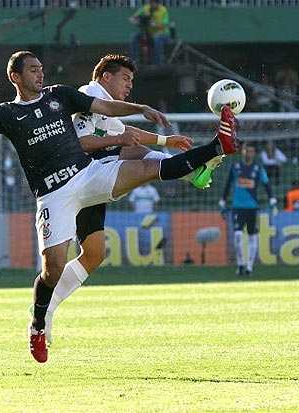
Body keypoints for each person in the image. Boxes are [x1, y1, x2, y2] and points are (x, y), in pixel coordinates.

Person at [0, 50, 238, 363]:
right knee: (53, 269)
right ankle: (38, 323)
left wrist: (140, 108)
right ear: (15, 76)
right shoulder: (8, 113)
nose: (40, 74)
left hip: (86, 175)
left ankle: (215, 148)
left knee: (147, 167)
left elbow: (108, 109)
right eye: (32, 70)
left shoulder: (59, 96)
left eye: (41, 68)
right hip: (54, 194)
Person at [38, 54, 223, 346]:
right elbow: (82, 144)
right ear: (105, 77)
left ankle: (46, 308)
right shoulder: (88, 96)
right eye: (125, 78)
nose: (129, 86)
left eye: (132, 81)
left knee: (95, 253)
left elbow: (127, 134)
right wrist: (122, 140)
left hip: (91, 179)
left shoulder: (105, 110)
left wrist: (166, 141)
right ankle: (202, 160)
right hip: (74, 180)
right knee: (142, 161)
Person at [219, 142, 276, 277]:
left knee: (252, 237)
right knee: (238, 235)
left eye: (251, 151)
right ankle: (240, 263)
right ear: (242, 152)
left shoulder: (258, 168)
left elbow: (267, 185)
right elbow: (227, 185)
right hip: (238, 207)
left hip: (253, 208)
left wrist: (272, 200)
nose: (248, 153)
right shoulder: (235, 167)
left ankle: (249, 267)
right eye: (246, 150)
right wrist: (222, 203)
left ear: (254, 153)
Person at [129, 0, 171, 66]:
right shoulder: (145, 8)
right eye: (150, 2)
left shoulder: (163, 10)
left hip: (163, 34)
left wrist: (154, 24)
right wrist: (135, 21)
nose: (150, 4)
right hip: (149, 33)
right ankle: (133, 61)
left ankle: (159, 62)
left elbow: (165, 25)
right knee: (134, 36)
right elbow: (132, 18)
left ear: (157, 3)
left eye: (153, 2)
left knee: (157, 38)